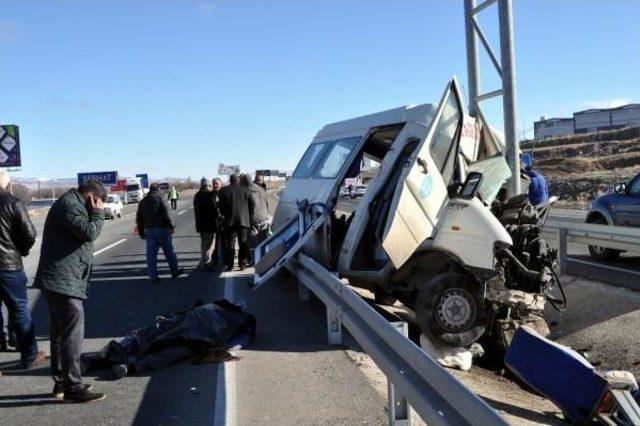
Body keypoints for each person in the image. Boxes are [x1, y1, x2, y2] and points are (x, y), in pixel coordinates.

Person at [34, 179, 107, 403]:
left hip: (60, 280)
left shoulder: (70, 203)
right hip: (61, 280)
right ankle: (73, 387)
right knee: (72, 334)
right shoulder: (71, 205)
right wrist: (98, 214)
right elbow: (88, 232)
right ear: (91, 198)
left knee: (60, 334)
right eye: (98, 203)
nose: (97, 207)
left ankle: (62, 383)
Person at [0, 170, 42, 367]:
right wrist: (21, 250)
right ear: (7, 184)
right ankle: (29, 355)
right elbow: (29, 234)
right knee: (19, 310)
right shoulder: (13, 202)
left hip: (8, 264)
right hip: (8, 265)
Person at [137, 183, 183, 283]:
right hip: (162, 229)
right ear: (158, 189)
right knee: (169, 252)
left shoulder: (142, 202)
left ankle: (153, 277)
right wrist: (171, 226)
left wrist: (141, 232)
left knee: (151, 255)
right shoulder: (160, 198)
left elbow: (139, 219)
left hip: (149, 230)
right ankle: (174, 271)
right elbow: (167, 214)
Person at [219, 174, 250, 271]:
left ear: (230, 180)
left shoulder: (223, 190)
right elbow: (251, 204)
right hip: (243, 221)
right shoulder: (246, 190)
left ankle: (230, 265)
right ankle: (242, 264)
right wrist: (247, 215)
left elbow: (221, 207)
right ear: (238, 180)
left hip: (229, 221)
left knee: (230, 244)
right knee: (243, 243)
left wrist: (226, 215)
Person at [193, 178, 219, 271]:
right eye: (209, 186)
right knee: (209, 246)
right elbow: (214, 211)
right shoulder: (209, 196)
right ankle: (207, 265)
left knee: (204, 245)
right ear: (207, 186)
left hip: (201, 225)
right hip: (209, 225)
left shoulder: (197, 195)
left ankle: (202, 263)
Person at [247, 174, 270, 263]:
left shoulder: (250, 189)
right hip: (263, 218)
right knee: (262, 241)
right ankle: (263, 259)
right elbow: (267, 205)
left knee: (253, 242)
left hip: (254, 219)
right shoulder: (263, 190)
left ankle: (255, 260)